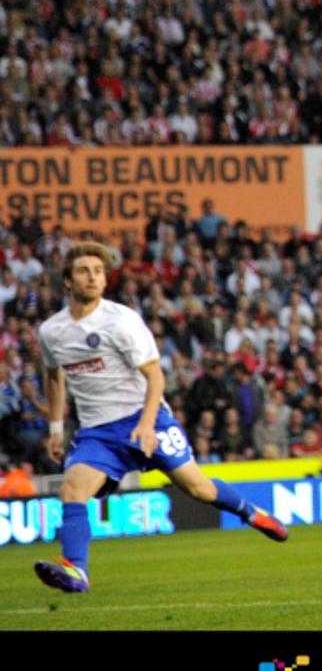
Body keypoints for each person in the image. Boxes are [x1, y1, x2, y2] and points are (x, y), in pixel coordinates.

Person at [33, 242, 286, 594]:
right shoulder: (52, 332)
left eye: (98, 272)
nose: (92, 277)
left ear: (106, 281)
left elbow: (155, 376)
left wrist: (147, 424)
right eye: (83, 271)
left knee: (199, 488)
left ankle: (250, 512)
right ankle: (77, 570)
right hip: (98, 433)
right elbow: (53, 376)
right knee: (72, 490)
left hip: (145, 417)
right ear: (67, 282)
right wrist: (57, 428)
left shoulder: (121, 321)